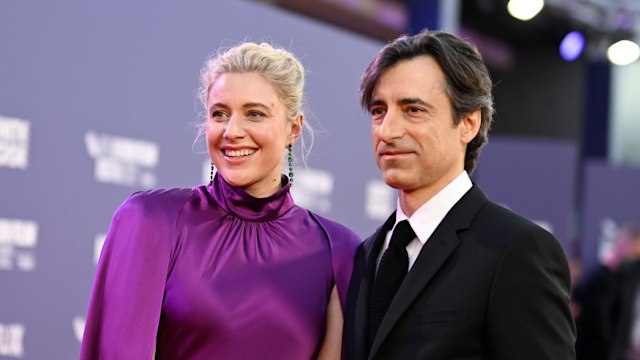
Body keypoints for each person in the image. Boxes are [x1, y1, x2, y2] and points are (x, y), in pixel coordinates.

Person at [80, 42, 361, 359]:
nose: (232, 131)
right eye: (220, 114)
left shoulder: (338, 251)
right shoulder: (151, 221)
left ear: (293, 129)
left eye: (254, 114)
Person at [343, 29, 576, 359]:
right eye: (379, 111)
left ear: (469, 123)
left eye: (413, 110)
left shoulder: (516, 250)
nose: (388, 131)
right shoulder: (367, 253)